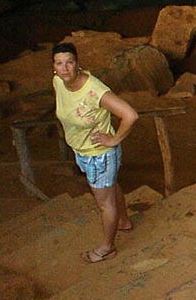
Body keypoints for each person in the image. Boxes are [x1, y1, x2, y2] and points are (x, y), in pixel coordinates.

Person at [51, 41, 139, 263]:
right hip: (82, 150)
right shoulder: (58, 82)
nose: (65, 68)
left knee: (104, 203)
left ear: (77, 64)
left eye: (69, 62)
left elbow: (130, 115)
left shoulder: (94, 90)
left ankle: (106, 247)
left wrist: (113, 140)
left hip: (99, 155)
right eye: (60, 63)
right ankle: (124, 221)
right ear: (54, 67)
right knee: (110, 187)